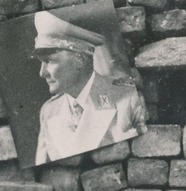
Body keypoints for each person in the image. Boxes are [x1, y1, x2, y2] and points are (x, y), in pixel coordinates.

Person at [31, 11, 146, 164]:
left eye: (49, 61)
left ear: (79, 59)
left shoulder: (127, 99)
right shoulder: (49, 111)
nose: (42, 73)